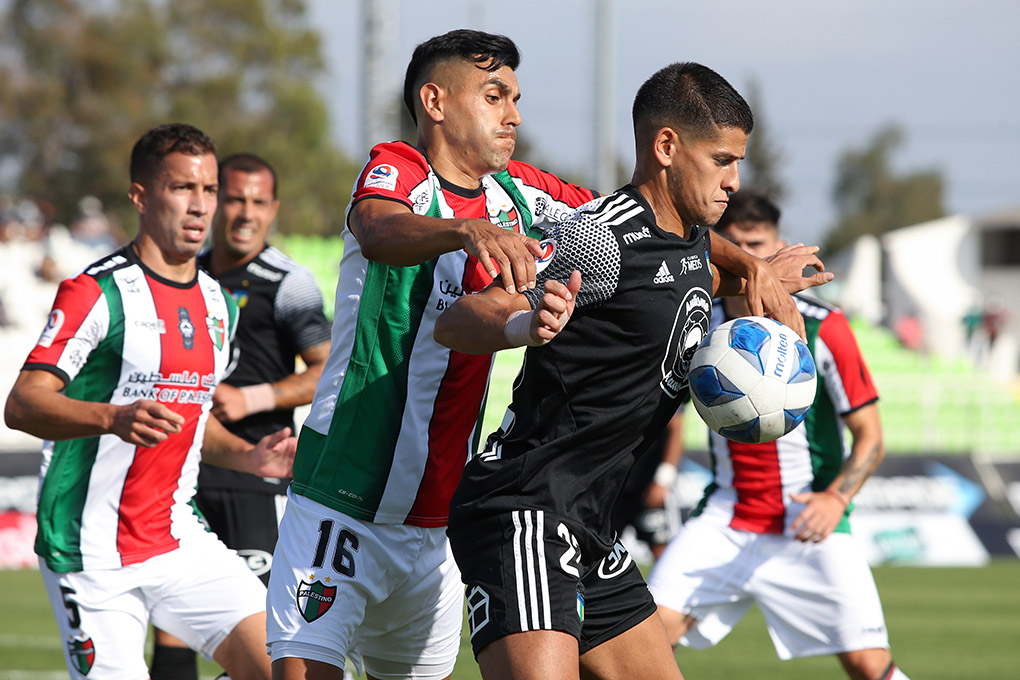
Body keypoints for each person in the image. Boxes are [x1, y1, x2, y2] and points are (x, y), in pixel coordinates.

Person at [434, 62, 832, 680]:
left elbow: (694, 261)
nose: (733, 181)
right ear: (667, 147)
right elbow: (459, 318)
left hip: (590, 523)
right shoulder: (598, 238)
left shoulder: (694, 241)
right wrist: (526, 320)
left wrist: (758, 271)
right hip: (526, 505)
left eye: (739, 163)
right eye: (721, 159)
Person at [265, 30, 601, 680]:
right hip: (340, 502)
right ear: (436, 100)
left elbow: (628, 223)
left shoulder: (522, 196)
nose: (514, 115)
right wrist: (463, 229)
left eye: (516, 98)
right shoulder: (398, 171)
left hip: (439, 528)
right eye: (496, 95)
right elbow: (379, 229)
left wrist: (743, 264)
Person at [3, 123, 296, 680]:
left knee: (293, 667)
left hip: (175, 537)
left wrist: (247, 457)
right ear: (141, 196)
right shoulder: (96, 292)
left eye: (208, 190)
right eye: (182, 188)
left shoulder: (217, 302)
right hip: (87, 550)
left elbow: (190, 420)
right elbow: (22, 404)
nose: (200, 206)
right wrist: (112, 418)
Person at [647, 190, 911, 680]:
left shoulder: (825, 326)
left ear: (782, 249)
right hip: (726, 517)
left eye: (762, 249)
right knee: (642, 645)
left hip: (811, 524)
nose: (754, 263)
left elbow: (870, 436)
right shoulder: (698, 323)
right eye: (741, 250)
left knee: (869, 666)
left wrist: (835, 499)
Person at [149, 152, 332, 680]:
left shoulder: (288, 281)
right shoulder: (185, 275)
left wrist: (250, 399)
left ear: (273, 209)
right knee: (172, 627)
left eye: (258, 202)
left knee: (262, 638)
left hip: (258, 479)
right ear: (212, 201)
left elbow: (325, 372)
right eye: (234, 199)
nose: (245, 213)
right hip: (182, 477)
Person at [609, 410, 685, 562]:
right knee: (599, 546)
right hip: (613, 484)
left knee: (660, 548)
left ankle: (667, 585)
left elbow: (676, 426)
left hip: (647, 485)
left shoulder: (656, 389)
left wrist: (663, 480)